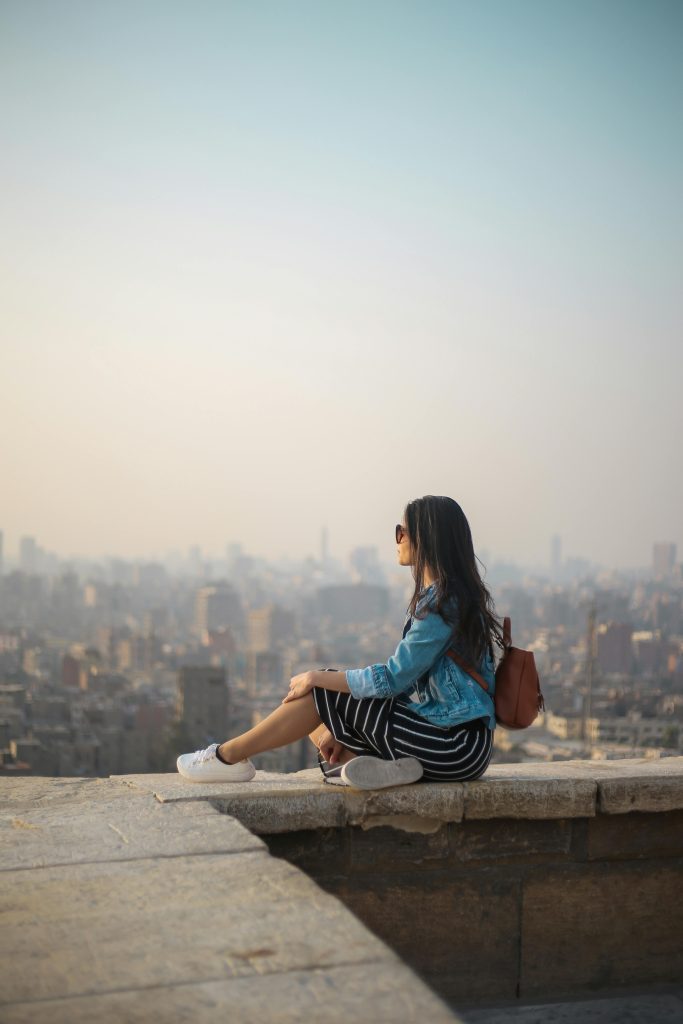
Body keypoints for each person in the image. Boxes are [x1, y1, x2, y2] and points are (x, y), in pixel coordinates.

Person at [177, 495, 503, 790]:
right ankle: (378, 764)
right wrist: (342, 724)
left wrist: (320, 677)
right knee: (318, 706)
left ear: (428, 538)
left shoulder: (444, 604)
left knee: (317, 689)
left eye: (403, 531)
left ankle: (227, 757)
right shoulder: (448, 598)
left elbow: (392, 679)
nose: (398, 539)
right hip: (453, 746)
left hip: (456, 747)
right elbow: (406, 686)